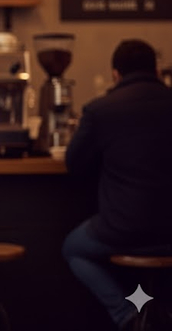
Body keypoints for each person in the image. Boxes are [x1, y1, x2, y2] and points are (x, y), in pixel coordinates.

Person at [63, 39, 172, 331]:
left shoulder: (101, 110)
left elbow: (74, 164)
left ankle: (128, 315)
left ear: (115, 74)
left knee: (73, 248)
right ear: (157, 70)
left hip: (124, 229)